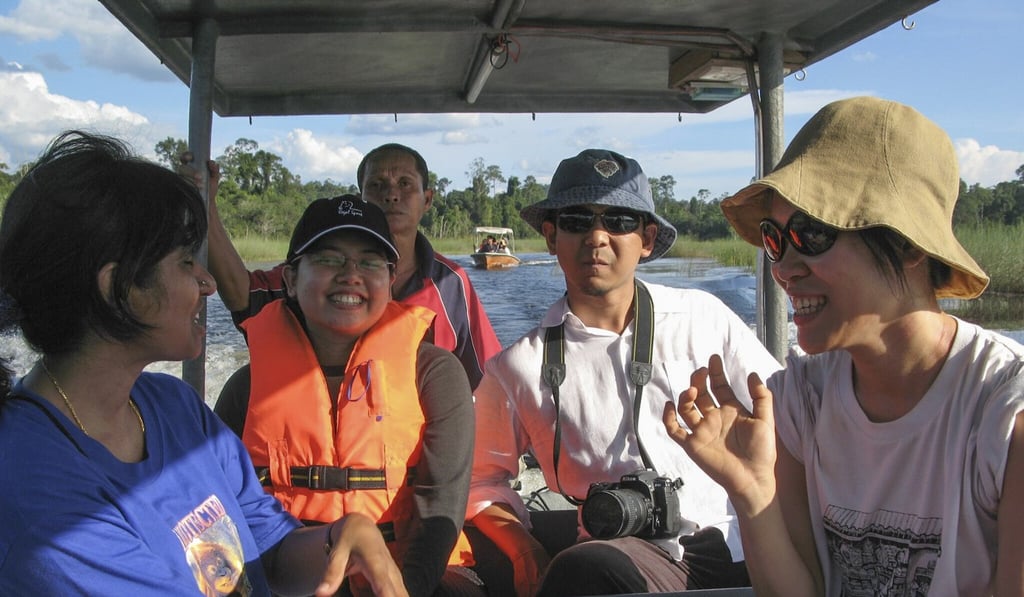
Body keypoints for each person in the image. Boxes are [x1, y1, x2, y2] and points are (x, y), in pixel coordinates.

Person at [0, 131, 407, 597]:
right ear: (119, 288)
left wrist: (340, 536)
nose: (209, 283)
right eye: (184, 263)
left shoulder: (173, 405)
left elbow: (271, 554)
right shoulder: (35, 486)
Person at [663, 97, 1024, 596]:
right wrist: (752, 493)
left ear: (909, 244)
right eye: (774, 239)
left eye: (811, 234)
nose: (784, 268)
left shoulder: (1003, 415)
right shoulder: (799, 401)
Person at [467, 149, 782, 596]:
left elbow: (790, 413)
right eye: (577, 221)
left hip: (742, 537)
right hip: (623, 555)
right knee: (585, 570)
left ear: (647, 239)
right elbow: (479, 478)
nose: (597, 237)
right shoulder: (518, 367)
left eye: (618, 221)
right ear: (551, 237)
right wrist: (523, 550)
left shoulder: (703, 319)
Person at [214, 196, 482, 597]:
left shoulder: (436, 375)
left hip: (418, 575)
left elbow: (440, 504)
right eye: (329, 259)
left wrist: (404, 589)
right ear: (290, 279)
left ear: (390, 280)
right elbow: (222, 511)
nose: (350, 276)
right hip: (292, 579)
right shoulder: (245, 389)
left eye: (370, 263)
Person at [202, 143, 501, 390]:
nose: (391, 194)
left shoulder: (451, 283)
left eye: (405, 184)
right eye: (377, 185)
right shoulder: (314, 278)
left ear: (427, 199)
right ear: (362, 198)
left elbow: (488, 377)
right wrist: (207, 205)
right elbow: (241, 293)